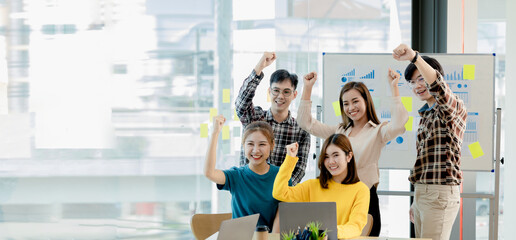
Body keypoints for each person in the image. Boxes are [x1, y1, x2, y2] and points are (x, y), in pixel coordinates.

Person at [296, 70, 408, 235]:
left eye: (355, 101)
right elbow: (306, 123)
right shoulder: (340, 131)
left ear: (366, 101)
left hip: (366, 198)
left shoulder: (378, 131)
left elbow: (398, 124)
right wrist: (307, 88)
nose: (351, 108)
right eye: (345, 104)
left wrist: (394, 89)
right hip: (341, 200)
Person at [393, 44, 467, 240]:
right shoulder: (426, 114)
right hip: (424, 192)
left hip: (440, 192)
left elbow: (439, 88)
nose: (417, 86)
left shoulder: (453, 106)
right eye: (412, 82)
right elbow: (424, 162)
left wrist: (415, 57)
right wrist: (416, 200)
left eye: (421, 79)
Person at [273, 134, 370, 239]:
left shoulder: (361, 190)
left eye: (336, 155)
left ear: (349, 156)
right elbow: (279, 192)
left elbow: (355, 226)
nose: (331, 161)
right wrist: (290, 159)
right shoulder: (312, 186)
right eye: (326, 157)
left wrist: (330, 232)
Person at [236, 52, 311, 185]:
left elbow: (299, 170)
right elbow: (241, 104)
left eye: (286, 92)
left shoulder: (301, 130)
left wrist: (281, 189)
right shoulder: (255, 119)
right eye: (276, 90)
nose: (280, 96)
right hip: (248, 189)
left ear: (294, 95)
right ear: (269, 92)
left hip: (280, 197)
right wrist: (259, 67)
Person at [204, 115, 282, 232]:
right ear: (243, 145)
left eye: (262, 144)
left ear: (272, 145)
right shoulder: (236, 176)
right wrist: (215, 133)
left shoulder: (281, 175)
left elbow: (282, 215)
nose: (255, 150)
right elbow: (209, 173)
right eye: (250, 144)